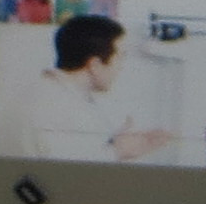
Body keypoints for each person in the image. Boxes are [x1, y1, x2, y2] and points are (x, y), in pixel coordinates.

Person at [13, 14, 172, 162]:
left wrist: (113, 142)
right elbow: (69, 172)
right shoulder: (54, 105)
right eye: (120, 58)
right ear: (95, 65)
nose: (121, 68)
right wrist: (118, 150)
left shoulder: (57, 94)